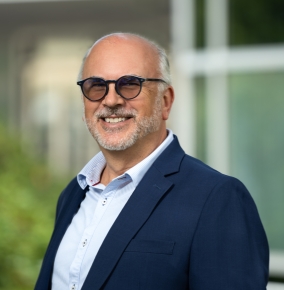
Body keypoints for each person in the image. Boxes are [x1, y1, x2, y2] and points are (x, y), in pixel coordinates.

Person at [35, 33, 269, 290]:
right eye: (96, 86)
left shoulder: (217, 199)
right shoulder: (74, 193)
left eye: (130, 84)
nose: (111, 100)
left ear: (165, 101)